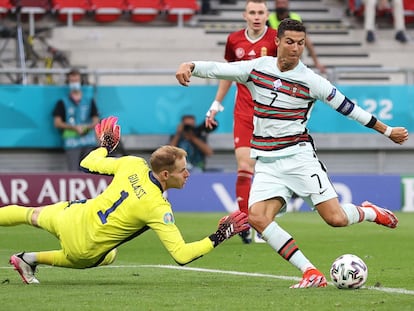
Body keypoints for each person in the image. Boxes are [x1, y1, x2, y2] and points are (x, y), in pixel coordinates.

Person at [175, 18, 408, 288]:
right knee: (258, 218)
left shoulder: (311, 81)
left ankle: (369, 212)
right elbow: (221, 69)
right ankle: (310, 271)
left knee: (336, 219)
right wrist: (190, 65)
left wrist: (387, 131)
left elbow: (349, 108)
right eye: (290, 42)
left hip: (299, 159)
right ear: (277, 42)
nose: (296, 48)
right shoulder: (257, 69)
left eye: (300, 43)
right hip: (266, 162)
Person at [3, 116, 249, 284]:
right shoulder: (158, 207)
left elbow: (87, 162)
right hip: (84, 249)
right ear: (165, 175)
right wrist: (219, 236)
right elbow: (182, 255)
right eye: (182, 169)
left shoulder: (133, 164)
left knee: (28, 213)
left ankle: (26, 260)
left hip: (70, 216)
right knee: (107, 255)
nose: (187, 173)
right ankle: (30, 258)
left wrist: (105, 146)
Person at [206, 0, 278, 244]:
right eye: (252, 12)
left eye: (261, 12)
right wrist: (216, 104)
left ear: (267, 15)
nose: (257, 16)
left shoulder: (277, 40)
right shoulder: (234, 40)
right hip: (244, 114)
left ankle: (263, 219)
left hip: (272, 116)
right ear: (244, 15)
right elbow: (228, 73)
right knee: (245, 166)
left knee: (272, 171)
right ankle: (245, 222)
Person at [52, 68, 100, 171]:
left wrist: (87, 127)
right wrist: (74, 128)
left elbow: (96, 120)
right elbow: (57, 123)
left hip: (88, 141)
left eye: (76, 81)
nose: (74, 83)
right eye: (72, 81)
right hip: (72, 142)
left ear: (80, 82)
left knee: (89, 171)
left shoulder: (88, 100)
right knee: (73, 172)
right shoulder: (62, 102)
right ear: (68, 82)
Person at [267, 0, 326, 74]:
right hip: (275, 60)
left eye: (283, 3)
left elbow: (307, 41)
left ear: (288, 4)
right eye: (279, 3)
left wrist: (316, 63)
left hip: (293, 63)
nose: (281, 6)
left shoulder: (296, 18)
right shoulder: (269, 20)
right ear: (275, 4)